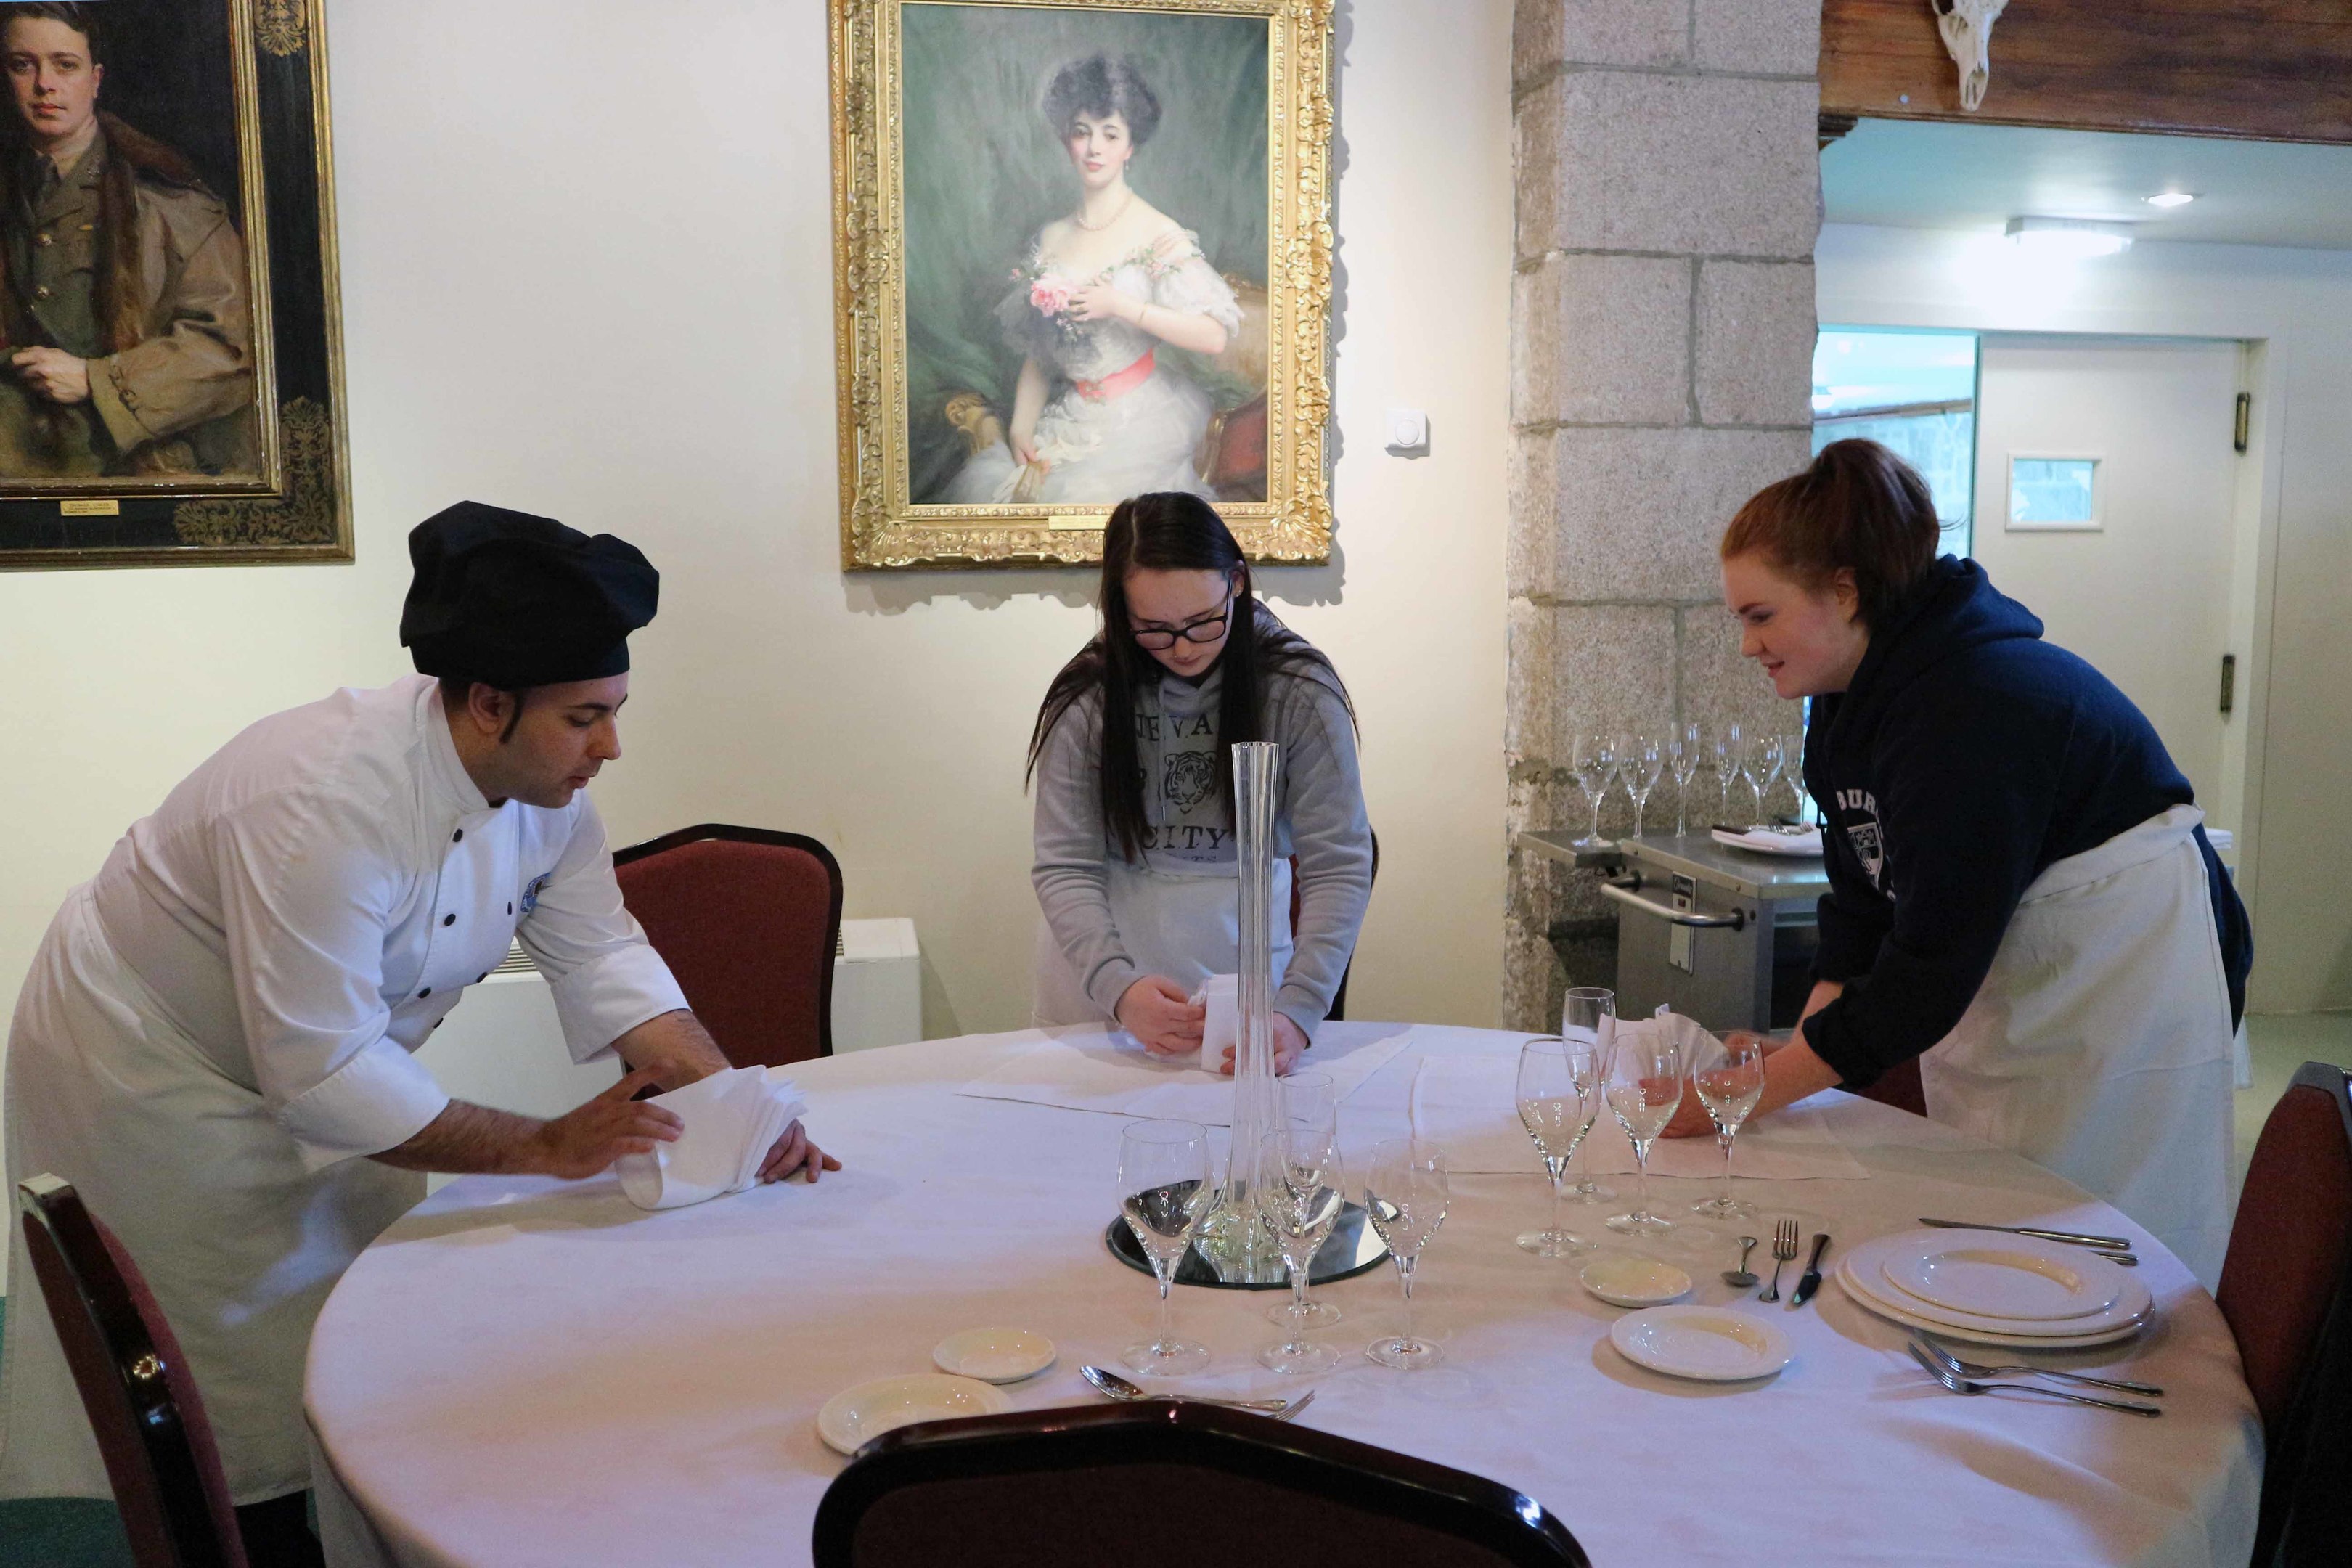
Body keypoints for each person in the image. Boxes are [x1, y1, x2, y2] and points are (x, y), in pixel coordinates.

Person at [0, 503, 836, 1562]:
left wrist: (730, 1103)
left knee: (355, 1334)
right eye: (586, 718)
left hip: (324, 1054)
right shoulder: (320, 804)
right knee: (217, 1382)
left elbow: (607, 956)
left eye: (615, 711)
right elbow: (325, 1076)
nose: (611, 747)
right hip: (153, 1066)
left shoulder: (550, 791)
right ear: (490, 703)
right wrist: (540, 1145)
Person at [1666, 438, 2251, 1283]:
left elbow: (1927, 969)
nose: (1748, 646)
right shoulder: (1843, 701)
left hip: (2122, 970)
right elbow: (1864, 906)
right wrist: (1795, 1053)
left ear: (1845, 590)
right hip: (2023, 960)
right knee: (1994, 1214)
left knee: (2110, 1230)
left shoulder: (1975, 708)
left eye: (1761, 616)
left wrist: (1746, 1095)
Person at [1028, 491, 1373, 1074]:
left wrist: (1298, 1011)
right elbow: (1065, 867)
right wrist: (1118, 987)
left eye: (1203, 622)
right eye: (1155, 630)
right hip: (1100, 989)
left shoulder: (1297, 692)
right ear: (1120, 610)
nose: (1184, 648)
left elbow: (1338, 862)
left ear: (1236, 582)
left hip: (1242, 975)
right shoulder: (1089, 697)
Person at [941, 53, 1241, 506]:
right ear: (1067, 142)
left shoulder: (1157, 232)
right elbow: (1042, 351)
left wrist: (1123, 306)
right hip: (1070, 414)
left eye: (1110, 134)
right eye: (1082, 133)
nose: (1095, 148)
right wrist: (1023, 424)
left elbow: (1214, 337)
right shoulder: (1052, 236)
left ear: (1130, 147)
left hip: (1141, 420)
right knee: (1004, 494)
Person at [0, 3, 257, 478]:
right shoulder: (11, 188)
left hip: (146, 463)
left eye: (65, 65)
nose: (44, 85)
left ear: (95, 80)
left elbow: (230, 349)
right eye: (22, 65)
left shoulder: (166, 199)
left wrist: (95, 381)